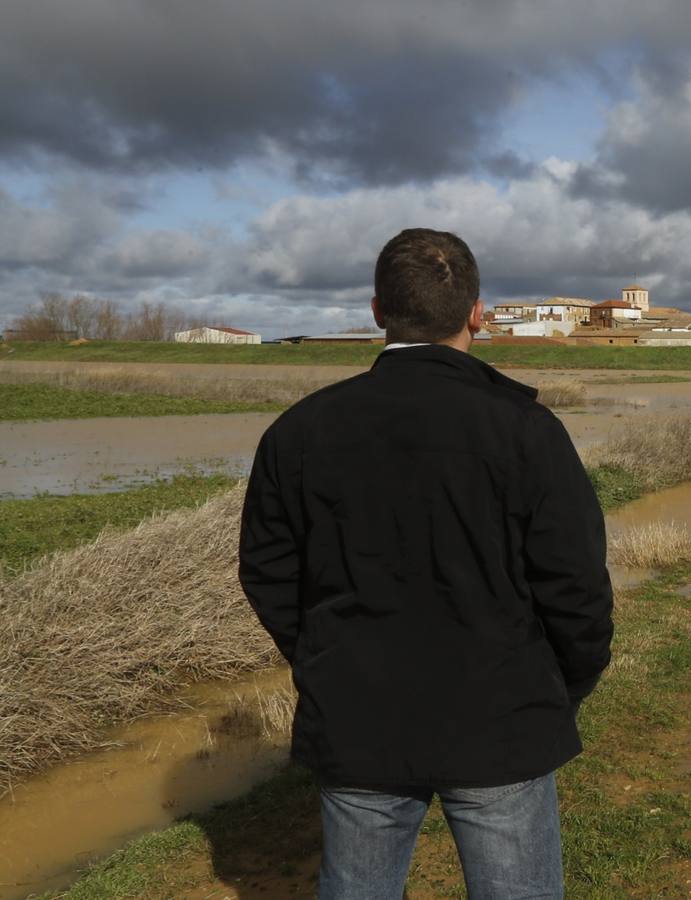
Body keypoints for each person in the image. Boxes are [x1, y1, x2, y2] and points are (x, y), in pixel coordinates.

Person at [239, 228, 612, 899]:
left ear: (379, 311)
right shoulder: (526, 429)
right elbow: (578, 584)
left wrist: (325, 655)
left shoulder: (299, 432)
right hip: (503, 715)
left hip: (360, 714)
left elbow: (269, 572)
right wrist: (562, 685)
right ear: (477, 314)